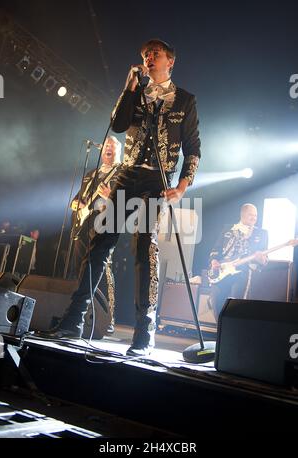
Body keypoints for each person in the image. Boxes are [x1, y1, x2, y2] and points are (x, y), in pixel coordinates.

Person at [39, 38, 201, 356]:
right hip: (128, 177)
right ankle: (74, 321)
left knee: (144, 247)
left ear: (170, 61)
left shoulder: (185, 100)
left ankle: (144, 334)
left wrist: (183, 184)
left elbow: (193, 146)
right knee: (101, 242)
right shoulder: (135, 92)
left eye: (155, 54)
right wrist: (128, 89)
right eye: (144, 54)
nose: (148, 57)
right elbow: (117, 124)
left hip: (158, 180)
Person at [70, 135, 122, 333]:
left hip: (105, 225)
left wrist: (112, 196)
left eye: (112, 146)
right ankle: (81, 314)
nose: (108, 148)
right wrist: (77, 205)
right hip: (84, 226)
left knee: (103, 269)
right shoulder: (91, 174)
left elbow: (129, 203)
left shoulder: (122, 173)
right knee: (81, 269)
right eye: (106, 145)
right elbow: (76, 200)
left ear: (119, 151)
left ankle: (108, 319)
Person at [208, 203, 268, 321]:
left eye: (255, 215)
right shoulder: (228, 228)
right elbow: (216, 249)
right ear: (242, 214)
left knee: (235, 305)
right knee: (217, 304)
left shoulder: (261, 233)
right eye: (251, 215)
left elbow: (265, 259)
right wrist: (214, 261)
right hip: (222, 271)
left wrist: (261, 259)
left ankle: (232, 334)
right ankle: (220, 333)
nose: (254, 218)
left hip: (242, 272)